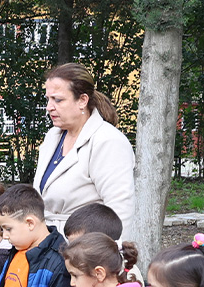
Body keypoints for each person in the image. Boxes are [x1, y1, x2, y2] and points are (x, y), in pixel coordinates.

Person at [34, 63, 135, 233]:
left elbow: (120, 211)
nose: (49, 107)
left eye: (58, 100)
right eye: (48, 99)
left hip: (85, 244)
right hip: (48, 241)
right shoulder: (52, 136)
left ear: (82, 100)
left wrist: (107, 249)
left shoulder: (108, 141)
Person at [63, 203, 143, 285]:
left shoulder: (126, 275)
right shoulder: (82, 269)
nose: (71, 250)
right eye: (70, 244)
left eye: (77, 245)